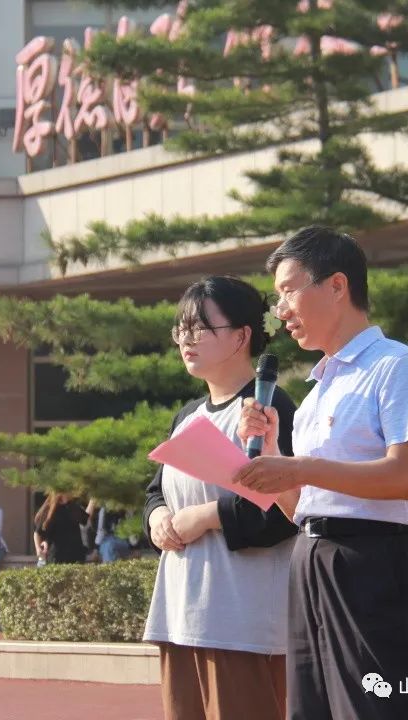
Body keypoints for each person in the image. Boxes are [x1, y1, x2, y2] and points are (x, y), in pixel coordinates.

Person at [234, 226, 408, 720]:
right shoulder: (318, 391)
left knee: (372, 709)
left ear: (337, 285)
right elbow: (302, 509)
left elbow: (405, 477)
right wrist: (271, 456)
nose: (281, 311)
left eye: (288, 292)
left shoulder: (396, 366)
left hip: (372, 560)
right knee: (311, 710)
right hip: (311, 558)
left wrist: (300, 467)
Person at [143, 276, 298, 720]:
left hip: (241, 619)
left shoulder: (268, 407)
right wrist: (157, 518)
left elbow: (285, 511)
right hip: (180, 613)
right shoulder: (188, 416)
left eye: (200, 328)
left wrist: (206, 516)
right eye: (181, 329)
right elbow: (157, 490)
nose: (186, 340)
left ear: (242, 336)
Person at [33, 493, 95, 564]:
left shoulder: (72, 506)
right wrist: (38, 549)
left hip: (76, 555)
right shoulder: (50, 509)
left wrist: (93, 500)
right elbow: (37, 532)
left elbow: (85, 518)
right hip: (57, 556)